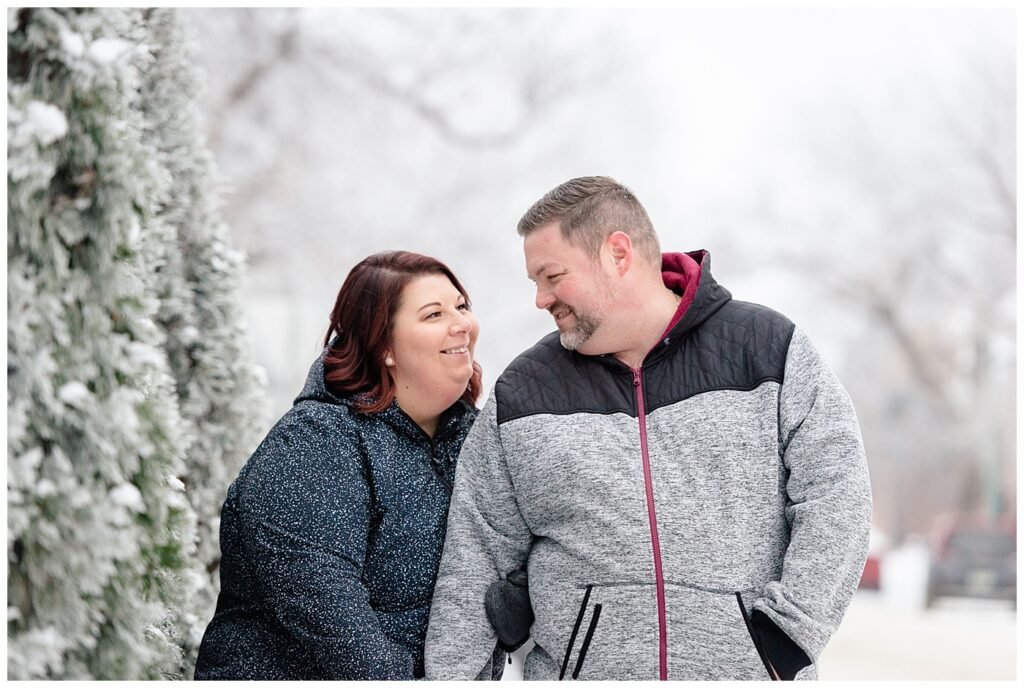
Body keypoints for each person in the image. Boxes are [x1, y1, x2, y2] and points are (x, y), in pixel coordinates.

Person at [424, 177, 872, 680]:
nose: (540, 299)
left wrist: (790, 633)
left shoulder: (767, 350)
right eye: (534, 282)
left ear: (617, 254)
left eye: (551, 276)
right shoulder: (524, 393)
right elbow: (474, 563)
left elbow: (838, 495)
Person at [194, 250, 488, 679]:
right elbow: (324, 605)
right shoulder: (317, 441)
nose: (461, 323)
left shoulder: (474, 443)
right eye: (434, 314)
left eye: (462, 306)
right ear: (384, 346)